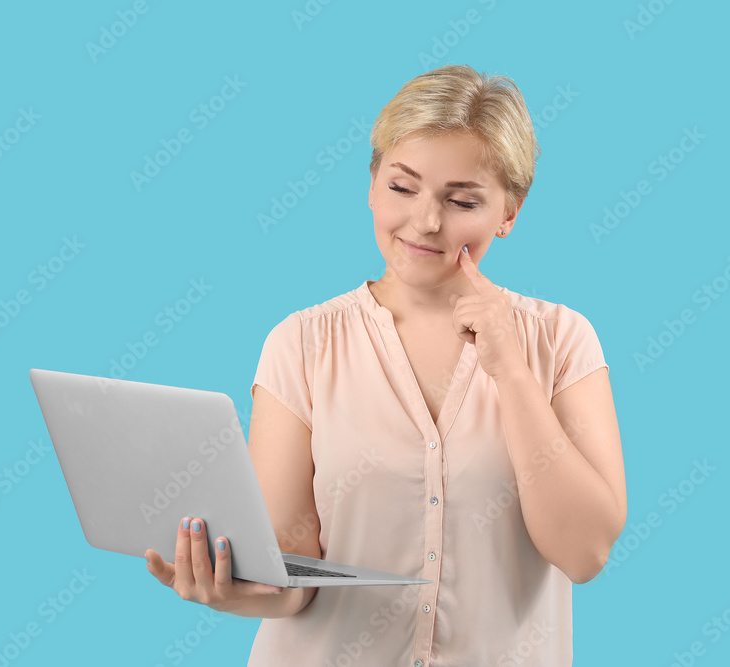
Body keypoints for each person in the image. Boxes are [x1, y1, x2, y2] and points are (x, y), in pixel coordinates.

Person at [145, 63, 627, 666]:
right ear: (372, 185)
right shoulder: (301, 344)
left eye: (462, 200)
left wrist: (511, 371)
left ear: (510, 212)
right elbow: (292, 568)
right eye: (403, 188)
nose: (425, 222)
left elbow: (585, 551)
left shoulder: (561, 340)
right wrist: (232, 591)